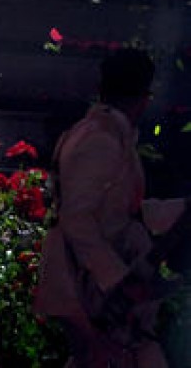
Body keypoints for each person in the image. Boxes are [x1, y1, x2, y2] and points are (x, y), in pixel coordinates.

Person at [33, 47, 190, 367]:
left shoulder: (106, 133)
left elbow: (120, 210)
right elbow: (77, 219)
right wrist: (119, 279)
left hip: (100, 288)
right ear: (145, 96)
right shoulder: (101, 139)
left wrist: (182, 208)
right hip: (92, 291)